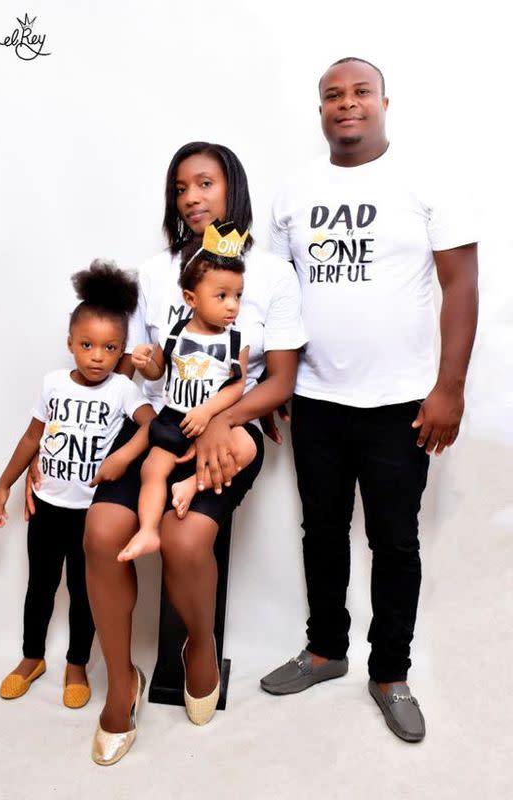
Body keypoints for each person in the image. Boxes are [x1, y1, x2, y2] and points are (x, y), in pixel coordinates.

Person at [260, 57, 478, 743]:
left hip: (401, 404)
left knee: (394, 541)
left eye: (359, 92)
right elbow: (277, 296)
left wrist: (449, 388)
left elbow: (462, 285)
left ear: (384, 101)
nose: (345, 104)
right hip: (316, 398)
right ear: (319, 108)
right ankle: (326, 651)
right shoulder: (293, 191)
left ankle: (390, 673)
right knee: (319, 532)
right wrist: (273, 384)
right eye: (332, 95)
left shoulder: (424, 180)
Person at [81, 142, 305, 766]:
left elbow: (279, 380)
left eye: (205, 183)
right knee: (102, 530)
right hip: (163, 423)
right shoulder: (156, 273)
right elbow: (141, 364)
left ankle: (199, 646)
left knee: (184, 542)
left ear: (231, 188)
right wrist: (139, 362)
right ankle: (122, 684)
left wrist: (223, 421)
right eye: (182, 188)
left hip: (230, 427)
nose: (193, 198)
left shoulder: (273, 274)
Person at [0, 261, 154, 709]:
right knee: (39, 585)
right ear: (70, 344)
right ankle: (31, 658)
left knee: (84, 592)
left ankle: (77, 663)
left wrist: (122, 455)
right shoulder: (53, 383)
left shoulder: (122, 389)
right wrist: (5, 483)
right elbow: (31, 436)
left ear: (121, 349)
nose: (97, 355)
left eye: (109, 346)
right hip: (46, 506)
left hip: (89, 512)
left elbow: (151, 425)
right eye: (87, 345)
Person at [91, 220, 257, 561]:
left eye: (238, 296)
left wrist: (208, 411)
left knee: (245, 447)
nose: (232, 306)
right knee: (153, 470)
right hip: (173, 417)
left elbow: (237, 385)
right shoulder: (176, 332)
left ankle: (192, 485)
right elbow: (159, 370)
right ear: (190, 298)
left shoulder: (235, 340)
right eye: (222, 296)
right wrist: (143, 362)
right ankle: (149, 530)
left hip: (207, 424)